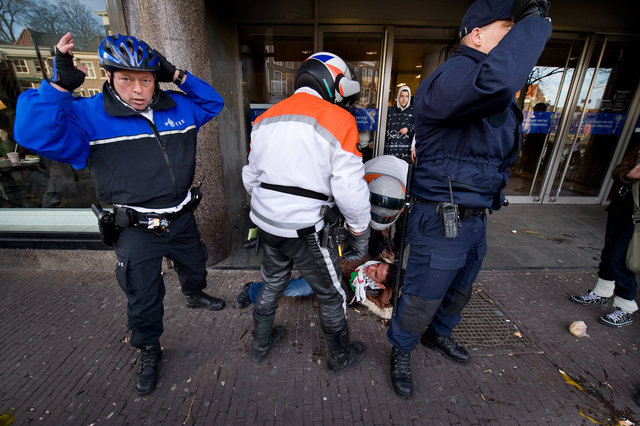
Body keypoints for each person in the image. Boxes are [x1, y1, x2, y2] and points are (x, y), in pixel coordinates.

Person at [13, 32, 226, 396]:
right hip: (137, 228)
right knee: (143, 295)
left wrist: (176, 75)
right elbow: (32, 133)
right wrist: (58, 87)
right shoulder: (88, 115)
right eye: (127, 79)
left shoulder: (177, 106)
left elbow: (213, 102)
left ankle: (195, 293)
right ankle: (148, 349)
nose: (139, 89)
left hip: (181, 216)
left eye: (146, 79)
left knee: (195, 264)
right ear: (109, 77)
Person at [386, 0, 552, 398]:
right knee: (424, 293)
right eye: (507, 29)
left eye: (517, 29)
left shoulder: (486, 82)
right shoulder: (457, 74)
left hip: (474, 214)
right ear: (476, 35)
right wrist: (534, 26)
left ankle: (438, 335)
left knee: (461, 287)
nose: (514, 37)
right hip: (443, 213)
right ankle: (402, 350)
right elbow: (496, 83)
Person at [242, 52, 371, 374]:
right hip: (305, 230)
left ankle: (260, 344)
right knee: (331, 294)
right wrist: (360, 230)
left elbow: (250, 176)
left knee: (272, 283)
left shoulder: (265, 118)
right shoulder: (339, 119)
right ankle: (340, 356)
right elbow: (349, 189)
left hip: (266, 224)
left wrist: (270, 207)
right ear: (332, 81)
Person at [570, 144, 640, 327]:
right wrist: (629, 175)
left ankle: (625, 308)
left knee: (621, 258)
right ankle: (602, 293)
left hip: (637, 218)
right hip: (620, 209)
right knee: (609, 253)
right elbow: (619, 170)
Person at [235, 261, 396, 319]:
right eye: (377, 265)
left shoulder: (377, 292)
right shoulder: (368, 256)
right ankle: (251, 290)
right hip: (328, 270)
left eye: (375, 273)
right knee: (297, 289)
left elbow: (386, 306)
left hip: (338, 290)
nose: (371, 268)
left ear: (381, 285)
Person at [384, 86, 414, 163]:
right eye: (402, 96)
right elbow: (382, 127)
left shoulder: (413, 111)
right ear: (398, 97)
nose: (404, 99)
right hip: (390, 151)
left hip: (405, 153)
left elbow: (419, 128)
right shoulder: (390, 111)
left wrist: (408, 129)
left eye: (407, 96)